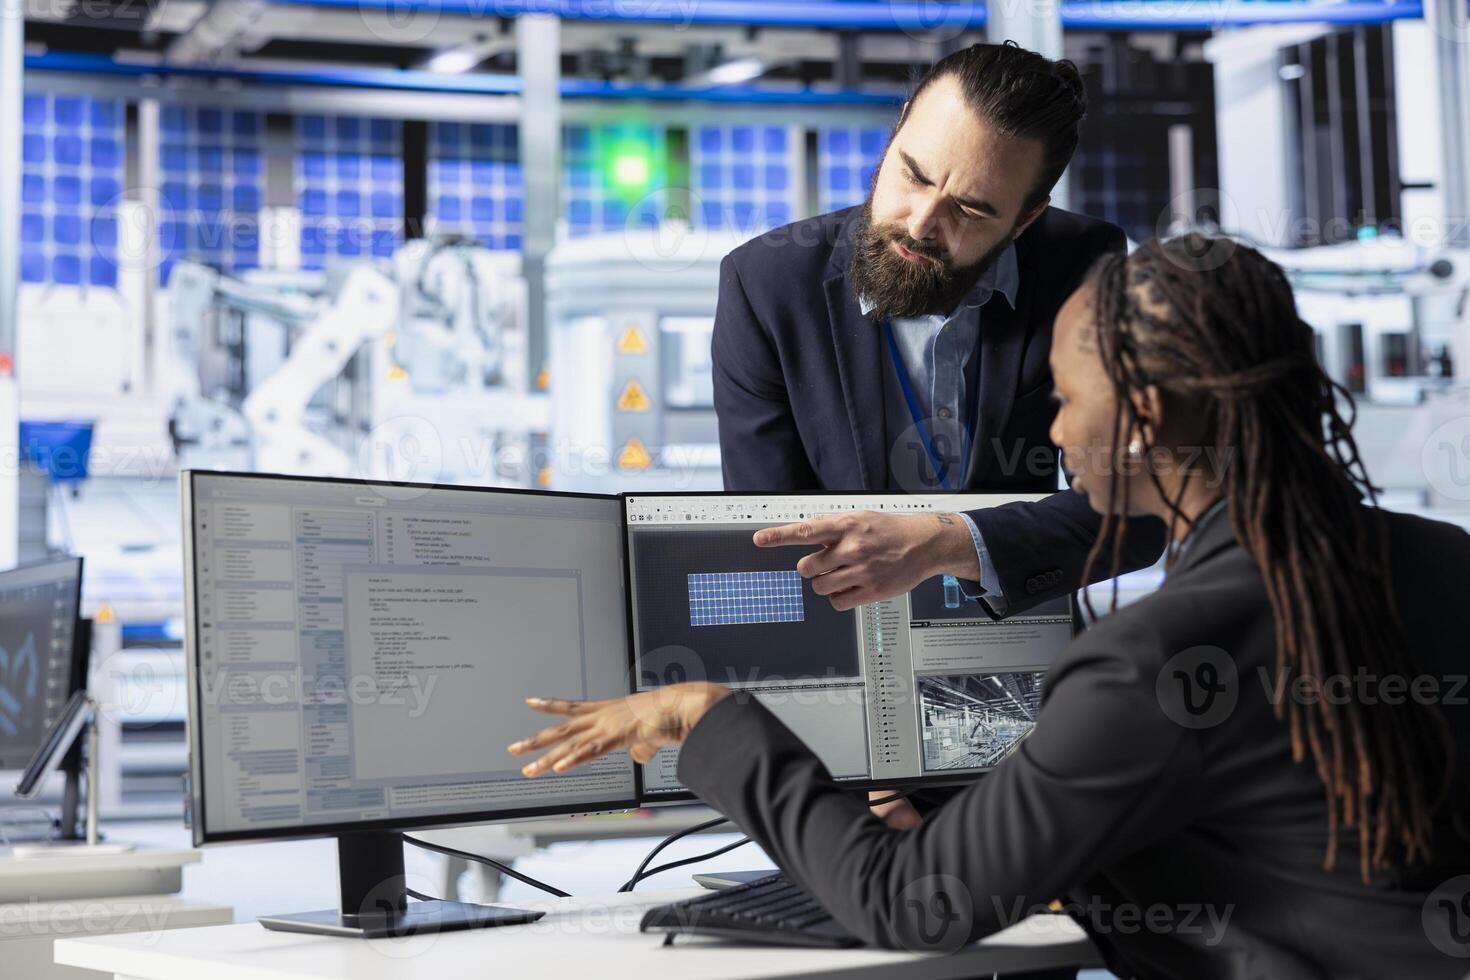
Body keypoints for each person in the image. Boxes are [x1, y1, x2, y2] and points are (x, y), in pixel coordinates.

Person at [510, 235, 1470, 977]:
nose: (1056, 430)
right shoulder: (1443, 561)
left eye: (1065, 398)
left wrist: (708, 717)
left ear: (1137, 422)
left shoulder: (1158, 659)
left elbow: (905, 903)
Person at [712, 40, 1163, 615]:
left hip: (1018, 630)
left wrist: (948, 545)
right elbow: (766, 535)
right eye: (913, 174)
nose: (921, 223)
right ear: (899, 128)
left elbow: (1138, 510)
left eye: (970, 210)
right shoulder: (767, 284)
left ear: (1026, 218)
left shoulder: (1083, 263)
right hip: (845, 636)